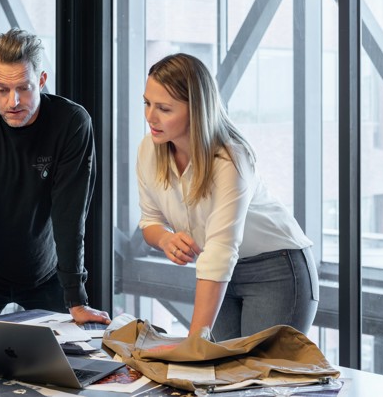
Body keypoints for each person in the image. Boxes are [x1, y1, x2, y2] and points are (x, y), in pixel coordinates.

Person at [0, 28, 110, 329]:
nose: (13, 101)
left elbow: (70, 216)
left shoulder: (72, 123)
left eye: (23, 88)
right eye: (2, 89)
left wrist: (76, 298)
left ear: (41, 80)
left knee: (74, 351)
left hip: (46, 273)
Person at [136, 53, 319, 341]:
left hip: (275, 270)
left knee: (254, 369)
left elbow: (220, 251)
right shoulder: (149, 150)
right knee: (219, 365)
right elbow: (149, 221)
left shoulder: (230, 159)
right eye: (147, 103)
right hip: (219, 273)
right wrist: (165, 239)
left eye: (164, 108)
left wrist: (193, 345)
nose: (150, 117)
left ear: (196, 109)